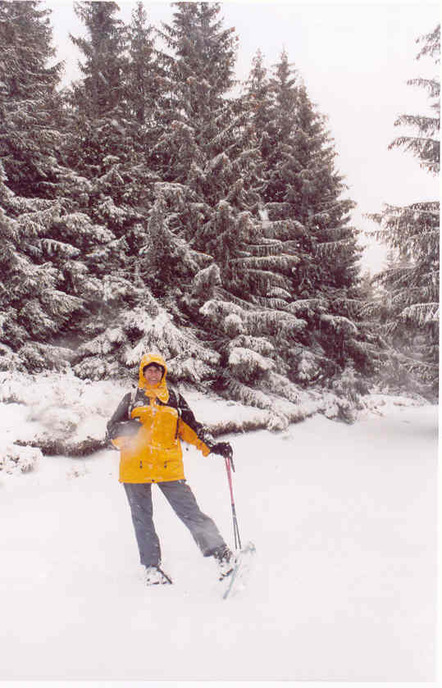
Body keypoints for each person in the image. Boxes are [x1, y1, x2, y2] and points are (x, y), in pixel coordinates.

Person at [107, 352, 235, 585]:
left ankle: (221, 553)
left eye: (157, 370)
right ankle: (152, 568)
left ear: (163, 373)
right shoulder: (132, 398)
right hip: (135, 467)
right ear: (143, 373)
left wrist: (212, 445)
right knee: (142, 518)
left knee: (190, 511)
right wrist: (128, 428)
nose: (153, 373)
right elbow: (111, 431)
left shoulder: (174, 398)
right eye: (149, 370)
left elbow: (192, 428)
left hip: (168, 467)